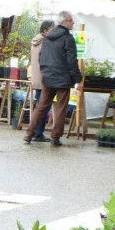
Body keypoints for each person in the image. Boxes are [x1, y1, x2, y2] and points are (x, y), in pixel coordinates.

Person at [24, 11, 82, 147]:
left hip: (48, 77)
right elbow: (71, 61)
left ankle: (29, 134)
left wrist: (44, 71)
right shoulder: (68, 38)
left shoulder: (48, 37)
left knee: (41, 107)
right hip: (63, 78)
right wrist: (78, 79)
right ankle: (55, 138)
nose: (72, 22)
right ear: (63, 21)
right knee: (60, 109)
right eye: (70, 20)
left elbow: (41, 56)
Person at [29, 19, 55, 142]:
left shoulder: (35, 40)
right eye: (52, 28)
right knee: (43, 107)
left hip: (37, 77)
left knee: (39, 106)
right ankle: (38, 133)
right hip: (45, 78)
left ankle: (35, 132)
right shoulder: (46, 41)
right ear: (45, 30)